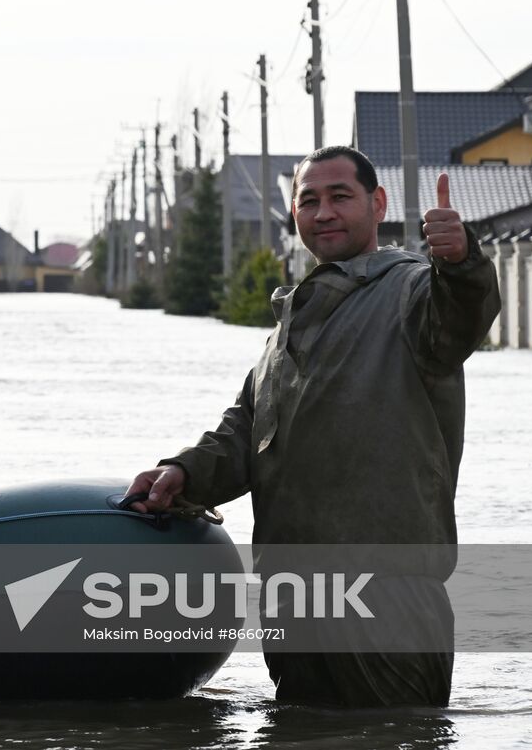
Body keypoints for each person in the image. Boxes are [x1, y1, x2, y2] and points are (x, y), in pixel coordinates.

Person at [124, 146, 500, 708]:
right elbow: (246, 433)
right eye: (309, 201)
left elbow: (461, 316)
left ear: (378, 204)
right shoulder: (289, 326)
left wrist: (462, 261)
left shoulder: (413, 291)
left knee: (393, 738)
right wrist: (181, 473)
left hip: (385, 602)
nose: (323, 212)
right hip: (293, 603)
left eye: (340, 197)